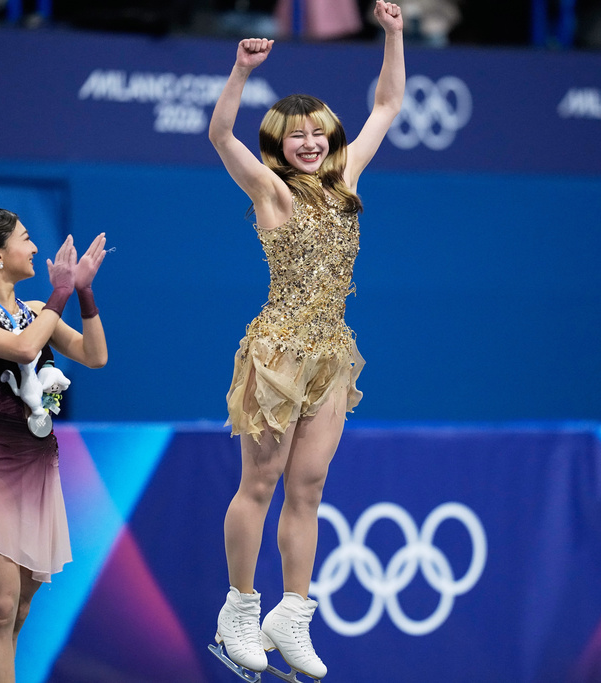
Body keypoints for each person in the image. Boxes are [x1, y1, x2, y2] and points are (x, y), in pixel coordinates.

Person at [205, 2, 403, 680]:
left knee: (309, 485)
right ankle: (239, 605)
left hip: (332, 354)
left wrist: (394, 34)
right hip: (279, 352)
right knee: (259, 481)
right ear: (281, 146)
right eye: (298, 136)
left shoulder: (346, 184)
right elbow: (219, 133)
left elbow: (388, 103)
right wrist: (239, 70)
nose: (311, 143)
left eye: (320, 132)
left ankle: (292, 611)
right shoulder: (270, 191)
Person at [0, 208, 108, 683]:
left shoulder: (38, 311)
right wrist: (60, 291)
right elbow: (21, 349)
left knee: (16, 612)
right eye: (26, 238)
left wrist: (82, 291)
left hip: (37, 472)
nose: (35, 248)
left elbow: (95, 356)